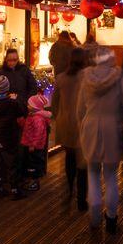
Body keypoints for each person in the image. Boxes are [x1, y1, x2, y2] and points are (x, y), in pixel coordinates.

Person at [76, 46, 123, 234]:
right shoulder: (120, 79)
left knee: (93, 174)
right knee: (111, 176)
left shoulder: (86, 78)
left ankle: (94, 216)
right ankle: (112, 218)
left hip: (90, 129)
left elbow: (80, 109)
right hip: (113, 130)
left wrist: (82, 127)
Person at [51, 46, 88, 210]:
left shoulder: (61, 78)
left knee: (70, 157)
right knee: (83, 162)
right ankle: (81, 199)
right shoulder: (87, 77)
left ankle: (69, 190)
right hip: (83, 122)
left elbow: (54, 102)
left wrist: (57, 117)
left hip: (65, 123)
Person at [20, 93, 52, 190]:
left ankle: (35, 182)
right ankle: (32, 180)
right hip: (30, 144)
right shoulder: (32, 116)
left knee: (34, 163)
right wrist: (21, 121)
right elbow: (26, 126)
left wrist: (33, 145)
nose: (27, 106)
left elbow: (38, 134)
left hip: (35, 146)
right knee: (31, 163)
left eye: (29, 105)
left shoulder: (38, 119)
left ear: (35, 107)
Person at [0, 49, 38, 113]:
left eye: (14, 60)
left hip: (23, 107)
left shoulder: (24, 70)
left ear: (18, 59)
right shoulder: (0, 72)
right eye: (9, 60)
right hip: (7, 109)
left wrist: (26, 101)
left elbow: (33, 87)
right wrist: (7, 98)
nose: (12, 63)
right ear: (6, 59)